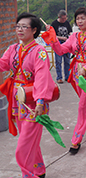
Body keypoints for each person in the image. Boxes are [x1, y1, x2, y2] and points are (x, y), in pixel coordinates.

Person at [0, 13, 56, 178]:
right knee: (30, 141)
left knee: (23, 147)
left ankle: (28, 175)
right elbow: (3, 64)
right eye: (18, 26)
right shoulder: (13, 49)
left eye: (24, 26)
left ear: (34, 30)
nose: (20, 29)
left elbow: (42, 77)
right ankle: (39, 170)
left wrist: (40, 102)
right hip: (18, 101)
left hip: (34, 104)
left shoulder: (39, 51)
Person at [47, 7, 86, 154]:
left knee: (83, 106)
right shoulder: (74, 36)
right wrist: (53, 38)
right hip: (77, 76)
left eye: (83, 18)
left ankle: (76, 140)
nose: (80, 21)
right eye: (78, 18)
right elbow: (61, 50)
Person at [51, 10, 72, 84]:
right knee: (58, 61)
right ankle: (59, 77)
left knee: (67, 61)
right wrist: (61, 38)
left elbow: (69, 31)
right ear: (59, 17)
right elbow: (52, 35)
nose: (65, 20)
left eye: (65, 18)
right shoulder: (54, 24)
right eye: (63, 18)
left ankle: (67, 76)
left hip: (67, 43)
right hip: (58, 44)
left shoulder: (67, 23)